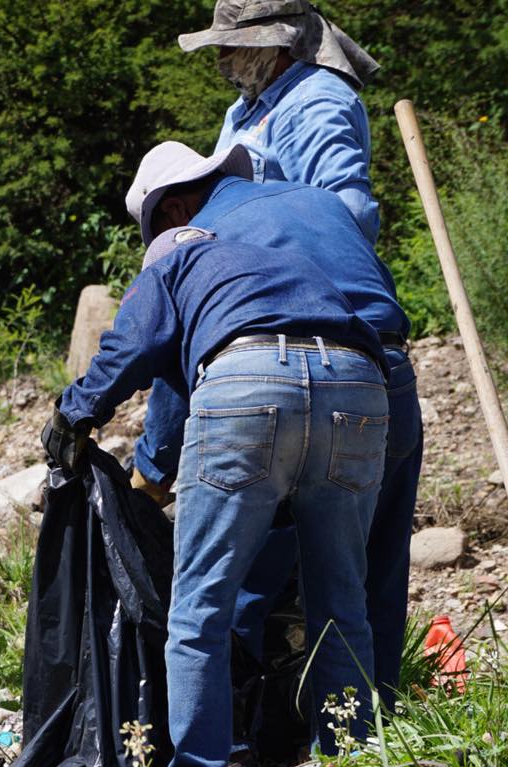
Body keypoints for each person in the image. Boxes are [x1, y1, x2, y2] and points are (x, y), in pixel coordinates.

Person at [44, 212, 388, 767]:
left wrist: (74, 414)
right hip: (357, 385)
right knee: (341, 601)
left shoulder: (170, 265)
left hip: (245, 381)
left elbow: (132, 346)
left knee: (201, 602)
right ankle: (351, 765)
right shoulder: (276, 264)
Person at [129, 142, 422, 722]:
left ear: (170, 212)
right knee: (370, 574)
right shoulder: (322, 202)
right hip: (385, 378)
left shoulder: (196, 240)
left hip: (266, 389)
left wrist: (152, 473)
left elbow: (178, 369)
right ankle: (373, 737)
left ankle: (238, 737)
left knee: (241, 572)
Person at [179, 0, 381, 241]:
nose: (222, 57)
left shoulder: (311, 104)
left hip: (289, 276)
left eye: (231, 44)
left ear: (275, 42)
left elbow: (352, 217)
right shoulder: (247, 105)